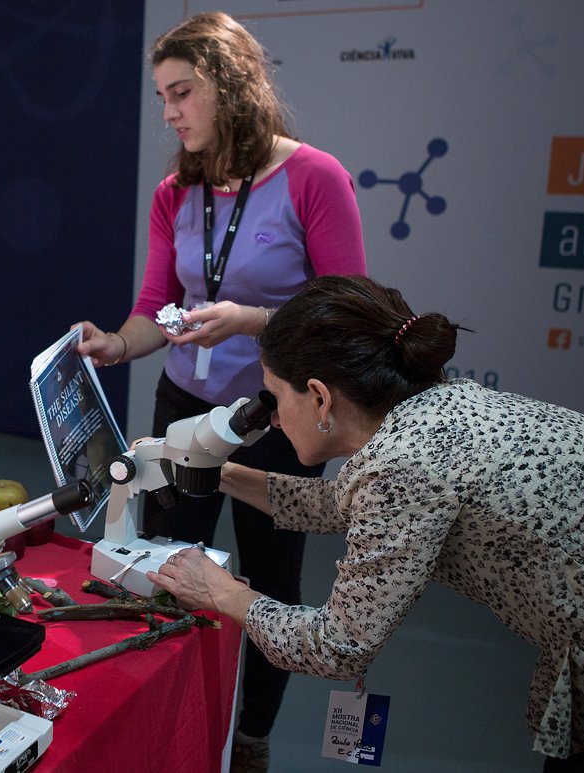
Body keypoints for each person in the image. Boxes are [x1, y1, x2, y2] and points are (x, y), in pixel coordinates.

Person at [149, 274, 584, 771]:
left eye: (274, 398)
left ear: (321, 398)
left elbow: (338, 646)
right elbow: (351, 508)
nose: (270, 420)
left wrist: (220, 591)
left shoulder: (406, 463)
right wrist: (220, 473)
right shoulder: (431, 407)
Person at [74, 12, 366, 770]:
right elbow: (153, 308)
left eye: (182, 93)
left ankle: (251, 738)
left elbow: (350, 316)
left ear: (231, 86)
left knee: (268, 585)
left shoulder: (314, 177)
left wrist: (251, 321)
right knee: (166, 567)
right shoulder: (176, 192)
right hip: (183, 408)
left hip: (280, 418)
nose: (170, 113)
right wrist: (116, 344)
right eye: (162, 97)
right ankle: (172, 725)